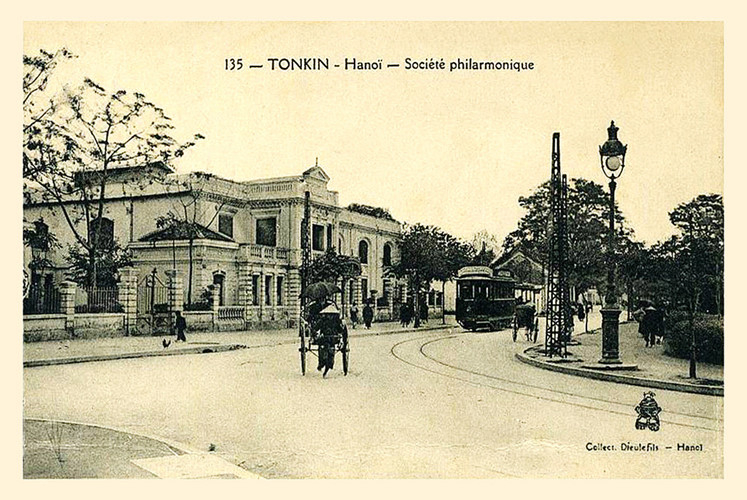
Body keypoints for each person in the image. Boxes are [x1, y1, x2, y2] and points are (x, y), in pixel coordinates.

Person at [316, 303, 345, 377]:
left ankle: (325, 368)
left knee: (330, 355)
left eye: (331, 314)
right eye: (329, 314)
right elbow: (317, 327)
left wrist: (340, 334)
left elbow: (340, 330)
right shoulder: (324, 320)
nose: (330, 316)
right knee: (324, 353)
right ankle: (322, 364)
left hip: (332, 339)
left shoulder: (335, 320)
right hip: (326, 339)